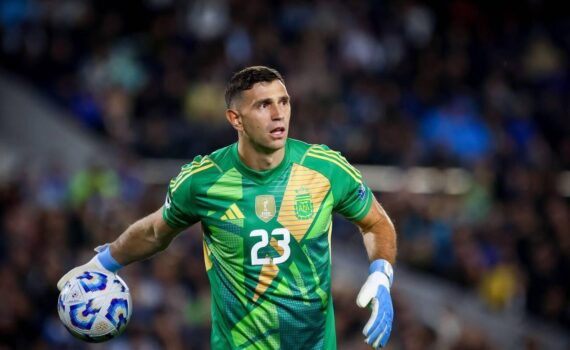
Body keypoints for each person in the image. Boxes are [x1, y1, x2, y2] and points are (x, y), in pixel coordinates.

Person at [57, 66, 397, 349]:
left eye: (284, 101)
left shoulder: (326, 169)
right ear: (236, 118)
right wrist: (104, 262)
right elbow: (156, 232)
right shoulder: (203, 181)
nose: (279, 114)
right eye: (263, 105)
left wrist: (381, 274)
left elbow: (376, 223)